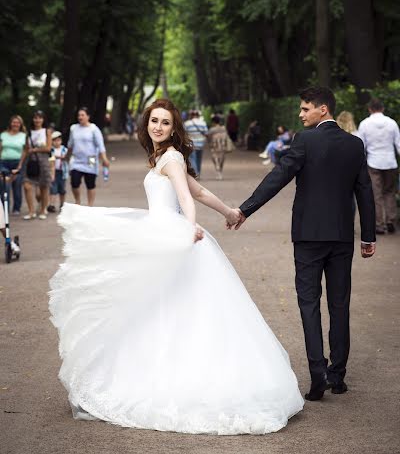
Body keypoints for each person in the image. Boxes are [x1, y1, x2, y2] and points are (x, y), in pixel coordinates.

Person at [49, 98, 303, 434]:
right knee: (154, 307)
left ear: (174, 128)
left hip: (173, 236)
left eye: (165, 123)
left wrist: (188, 228)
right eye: (154, 121)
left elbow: (185, 198)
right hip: (160, 235)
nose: (158, 127)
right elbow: (198, 190)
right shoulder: (163, 157)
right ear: (147, 124)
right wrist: (229, 211)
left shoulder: (170, 156)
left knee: (171, 309)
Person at [228, 87, 376, 402]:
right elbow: (364, 190)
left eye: (305, 108)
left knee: (309, 304)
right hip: (340, 237)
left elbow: (277, 178)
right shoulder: (354, 145)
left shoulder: (304, 141)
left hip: (308, 236)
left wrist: (245, 209)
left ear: (323, 109)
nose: (300, 114)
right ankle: (337, 376)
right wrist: (368, 236)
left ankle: (317, 374)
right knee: (340, 304)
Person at [358, 99, 400, 234]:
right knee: (389, 192)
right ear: (382, 109)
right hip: (390, 162)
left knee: (376, 194)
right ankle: (391, 220)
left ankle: (379, 224)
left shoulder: (364, 124)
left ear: (370, 109)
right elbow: (398, 144)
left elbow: (361, 146)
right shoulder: (392, 123)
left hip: (373, 162)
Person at [67, 107, 110, 207]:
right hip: (76, 159)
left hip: (91, 159)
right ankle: (77, 201)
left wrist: (104, 159)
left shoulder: (93, 129)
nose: (80, 117)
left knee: (90, 183)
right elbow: (70, 144)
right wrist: (66, 156)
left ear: (88, 116)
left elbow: (100, 145)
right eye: (79, 115)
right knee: (74, 182)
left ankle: (90, 205)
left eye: (82, 115)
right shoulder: (73, 128)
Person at [23, 110, 52, 220]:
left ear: (43, 119)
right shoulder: (29, 132)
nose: (37, 120)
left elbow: (48, 148)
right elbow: (26, 149)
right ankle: (31, 211)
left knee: (43, 187)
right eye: (35, 118)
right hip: (30, 161)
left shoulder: (46, 131)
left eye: (40, 118)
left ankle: (43, 209)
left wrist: (35, 149)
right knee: (27, 186)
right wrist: (21, 164)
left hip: (43, 161)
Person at [0, 115, 27, 215]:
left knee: (17, 185)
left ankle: (16, 208)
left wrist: (20, 166)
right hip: (4, 162)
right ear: (10, 123)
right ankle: (4, 208)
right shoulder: (3, 135)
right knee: (4, 185)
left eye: (17, 122)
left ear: (20, 124)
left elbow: (25, 151)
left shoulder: (23, 136)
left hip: (17, 162)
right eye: (13, 122)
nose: (15, 124)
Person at [47, 131, 68, 213]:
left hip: (62, 171)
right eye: (54, 140)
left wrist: (63, 157)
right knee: (53, 189)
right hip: (53, 171)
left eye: (58, 140)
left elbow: (68, 157)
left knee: (62, 189)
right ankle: (51, 204)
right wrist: (58, 157)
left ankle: (62, 204)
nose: (57, 142)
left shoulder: (64, 149)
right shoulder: (51, 150)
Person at [184, 110, 208, 177]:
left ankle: (196, 173)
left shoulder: (187, 123)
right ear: (198, 115)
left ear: (191, 115)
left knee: (192, 159)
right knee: (199, 159)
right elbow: (206, 133)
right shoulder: (203, 123)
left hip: (191, 144)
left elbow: (184, 134)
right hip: (201, 144)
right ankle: (198, 173)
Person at [208, 115, 228, 180]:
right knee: (221, 160)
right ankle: (220, 172)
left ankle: (218, 173)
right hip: (222, 146)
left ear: (213, 122)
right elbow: (226, 137)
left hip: (214, 146)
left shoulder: (212, 129)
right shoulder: (223, 128)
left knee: (215, 160)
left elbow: (209, 137)